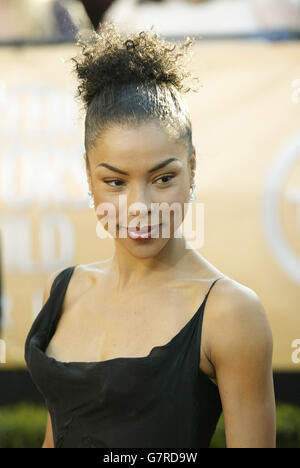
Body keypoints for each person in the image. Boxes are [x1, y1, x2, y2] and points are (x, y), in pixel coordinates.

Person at [24, 22, 276, 448]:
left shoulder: (230, 313)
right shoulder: (64, 290)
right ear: (88, 173)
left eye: (162, 178)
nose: (139, 206)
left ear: (192, 167)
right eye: (116, 182)